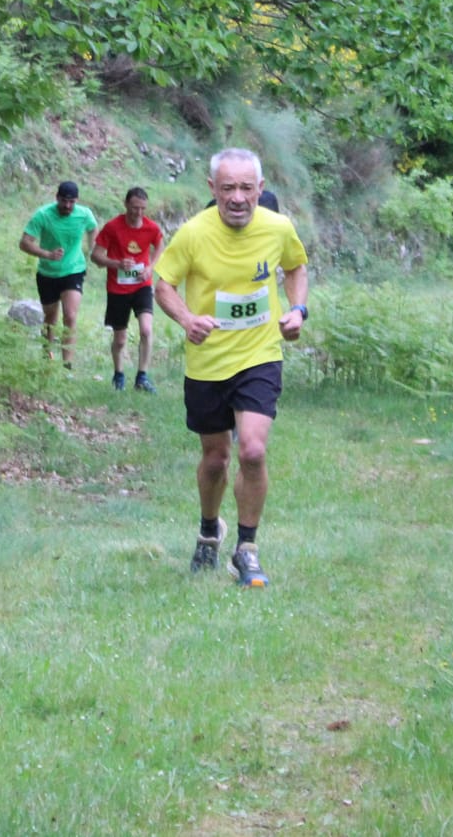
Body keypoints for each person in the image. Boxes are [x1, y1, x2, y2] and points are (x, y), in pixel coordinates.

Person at [153, 148, 309, 587]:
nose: (237, 198)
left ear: (260, 188)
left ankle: (247, 550)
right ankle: (209, 531)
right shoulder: (193, 233)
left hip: (260, 355)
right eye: (228, 188)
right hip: (207, 362)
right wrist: (187, 319)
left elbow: (296, 267)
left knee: (252, 451)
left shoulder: (278, 228)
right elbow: (163, 285)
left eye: (246, 188)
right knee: (216, 458)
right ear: (212, 189)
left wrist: (298, 310)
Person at [90, 187, 166, 393]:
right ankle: (119, 374)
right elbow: (95, 256)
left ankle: (142, 377)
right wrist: (116, 264)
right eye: (134, 208)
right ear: (126, 205)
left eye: (142, 209)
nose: (138, 213)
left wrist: (150, 267)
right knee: (120, 339)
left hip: (142, 285)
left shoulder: (151, 228)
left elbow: (160, 246)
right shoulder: (113, 227)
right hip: (118, 288)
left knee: (146, 330)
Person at [20, 181, 99, 372]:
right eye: (64, 201)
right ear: (57, 198)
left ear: (76, 201)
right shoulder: (43, 215)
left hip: (74, 270)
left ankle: (67, 367)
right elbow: (24, 243)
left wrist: (93, 248)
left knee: (70, 316)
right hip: (47, 273)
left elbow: (92, 228)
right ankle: (46, 358)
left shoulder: (84, 214)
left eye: (71, 202)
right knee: (50, 318)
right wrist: (47, 254)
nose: (67, 206)